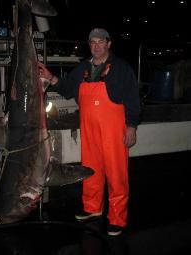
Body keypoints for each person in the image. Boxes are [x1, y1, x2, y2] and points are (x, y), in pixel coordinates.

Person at [38, 28, 140, 236]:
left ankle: (117, 218)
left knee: (116, 173)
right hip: (90, 128)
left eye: (100, 42)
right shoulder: (83, 67)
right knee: (90, 168)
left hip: (114, 129)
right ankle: (93, 208)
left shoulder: (121, 68)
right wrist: (51, 77)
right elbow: (66, 88)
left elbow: (132, 99)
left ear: (108, 44)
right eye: (92, 42)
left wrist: (131, 126)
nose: (96, 46)